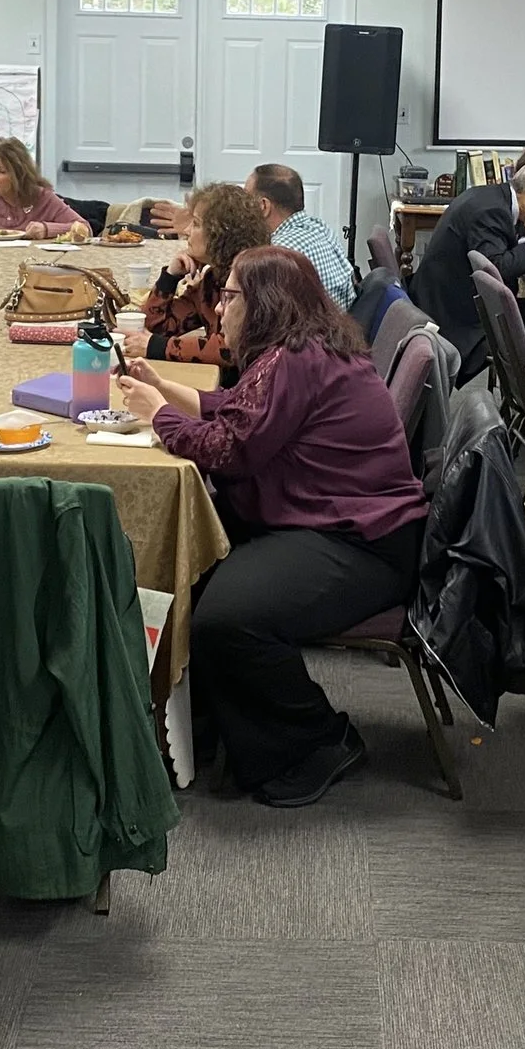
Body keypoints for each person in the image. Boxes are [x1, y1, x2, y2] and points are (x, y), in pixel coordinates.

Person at [111, 247, 427, 807]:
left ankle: (322, 741)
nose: (221, 306)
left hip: (362, 544)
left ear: (262, 305)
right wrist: (162, 389)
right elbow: (236, 407)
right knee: (200, 574)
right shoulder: (300, 350)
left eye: (229, 295)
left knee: (228, 619)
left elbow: (230, 449)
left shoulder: (297, 360)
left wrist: (155, 415)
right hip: (336, 522)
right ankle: (211, 726)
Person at [408, 156, 525, 385]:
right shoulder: (490, 211)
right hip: (455, 315)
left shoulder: (493, 199)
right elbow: (496, 269)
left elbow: (494, 251)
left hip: (449, 296)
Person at [125, 180, 269, 367]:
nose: (186, 231)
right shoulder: (212, 280)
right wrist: (170, 277)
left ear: (222, 233)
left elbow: (232, 348)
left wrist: (158, 346)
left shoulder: (253, 279)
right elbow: (156, 328)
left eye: (196, 224)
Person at [248, 163, 354, 306]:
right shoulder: (321, 228)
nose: (243, 207)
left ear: (263, 206)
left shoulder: (281, 252)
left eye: (246, 200)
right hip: (341, 323)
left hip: (316, 327)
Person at [0, 136, 87, 240]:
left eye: (1, 171)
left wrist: (47, 229)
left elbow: (84, 228)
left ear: (18, 173)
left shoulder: (43, 198)